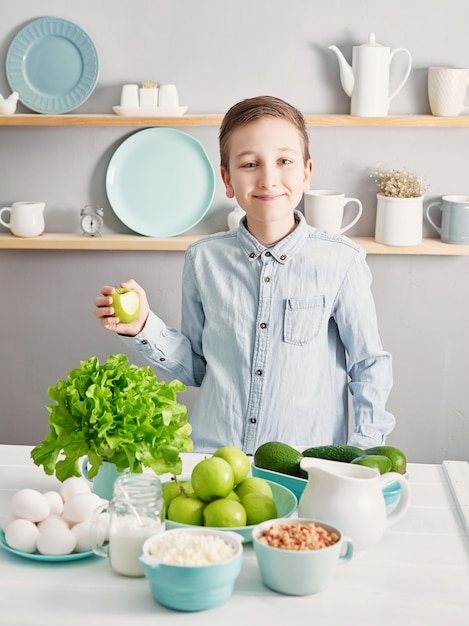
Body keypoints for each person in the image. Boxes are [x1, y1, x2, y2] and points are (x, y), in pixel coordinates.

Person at [94, 95, 395, 455]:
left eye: (284, 161)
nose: (268, 179)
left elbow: (368, 365)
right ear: (227, 179)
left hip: (305, 466)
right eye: (250, 164)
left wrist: (362, 452)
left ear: (306, 173)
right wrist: (142, 326)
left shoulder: (341, 261)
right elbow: (198, 367)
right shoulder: (203, 259)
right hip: (212, 460)